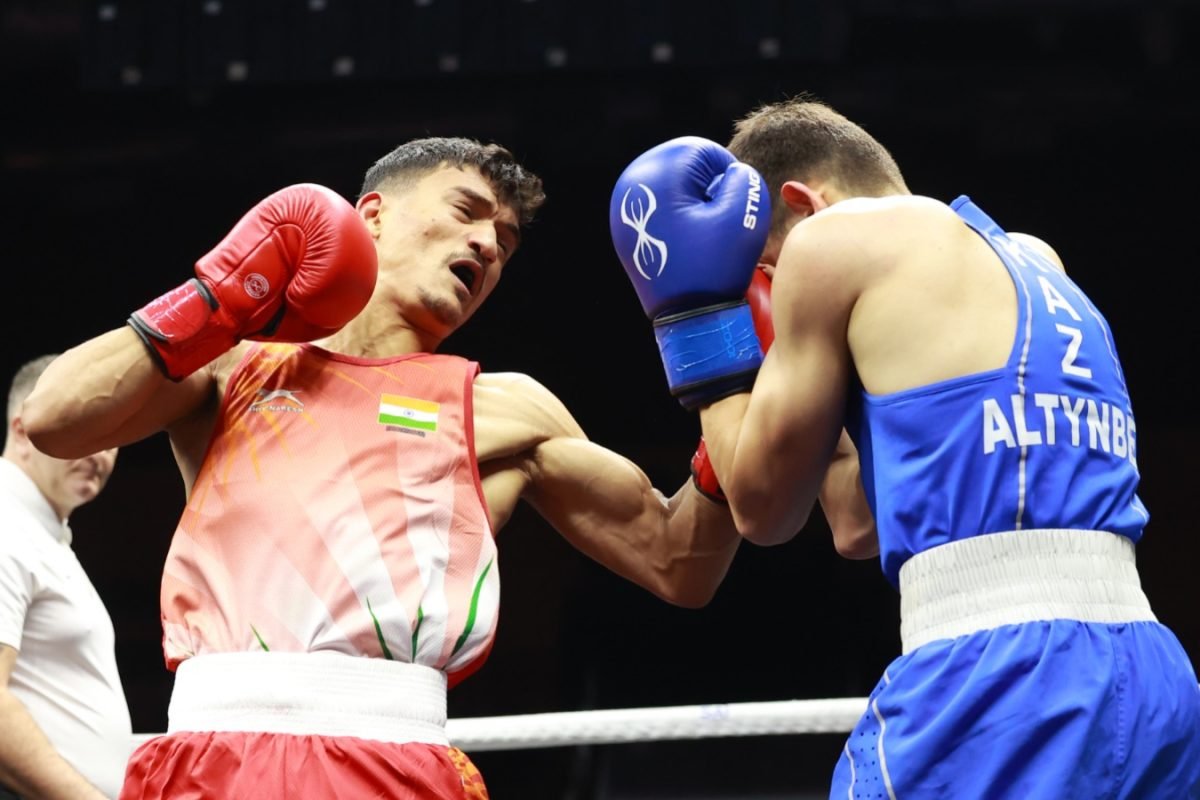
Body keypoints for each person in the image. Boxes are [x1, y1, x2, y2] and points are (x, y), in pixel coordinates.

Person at [20, 138, 755, 799]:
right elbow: (54, 420)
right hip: (213, 760)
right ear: (370, 215)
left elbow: (678, 562)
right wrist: (219, 296)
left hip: (395, 764)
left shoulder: (503, 410)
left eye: (504, 240)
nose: (488, 245)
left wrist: (713, 349)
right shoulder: (238, 367)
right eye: (466, 211)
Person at [608, 100, 1200, 797]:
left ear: (801, 203)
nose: (776, 287)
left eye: (767, 266)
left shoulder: (831, 243)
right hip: (1151, 671)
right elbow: (857, 526)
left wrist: (699, 323)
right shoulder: (1033, 259)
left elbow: (763, 509)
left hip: (1000, 675)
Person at [0, 355, 130, 800]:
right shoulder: (5, 520)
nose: (100, 453)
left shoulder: (42, 533)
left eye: (111, 435)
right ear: (22, 429)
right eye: (83, 430)